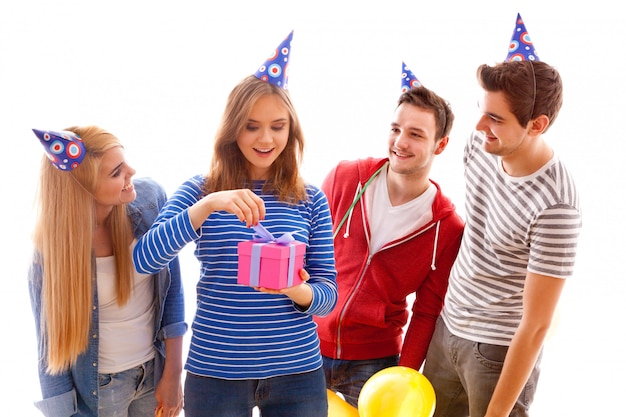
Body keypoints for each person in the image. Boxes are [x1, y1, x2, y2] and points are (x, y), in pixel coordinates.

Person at [132, 31, 338, 417]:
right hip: (216, 374)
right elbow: (142, 260)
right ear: (232, 129)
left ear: (291, 130)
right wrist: (207, 206)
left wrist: (296, 289)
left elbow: (328, 296)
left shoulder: (310, 198)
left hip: (298, 373)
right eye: (251, 126)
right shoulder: (200, 190)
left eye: (278, 126)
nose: (265, 138)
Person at [422, 14, 582, 417]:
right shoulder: (480, 145)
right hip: (448, 328)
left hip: (497, 351)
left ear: (537, 124)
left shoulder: (557, 205)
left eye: (495, 119)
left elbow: (536, 326)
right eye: (482, 111)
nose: (478, 126)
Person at [314, 62, 465, 407]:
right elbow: (305, 254)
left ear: (440, 145)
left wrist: (404, 375)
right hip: (308, 344)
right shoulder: (344, 177)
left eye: (416, 134)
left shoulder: (447, 228)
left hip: (375, 363)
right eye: (396, 128)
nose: (400, 142)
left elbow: (427, 311)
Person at [28, 126, 187, 417]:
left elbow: (173, 292)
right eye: (117, 173)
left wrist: (173, 376)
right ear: (84, 188)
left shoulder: (151, 202)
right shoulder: (50, 256)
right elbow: (50, 353)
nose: (132, 172)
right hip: (102, 388)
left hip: (154, 375)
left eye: (124, 162)